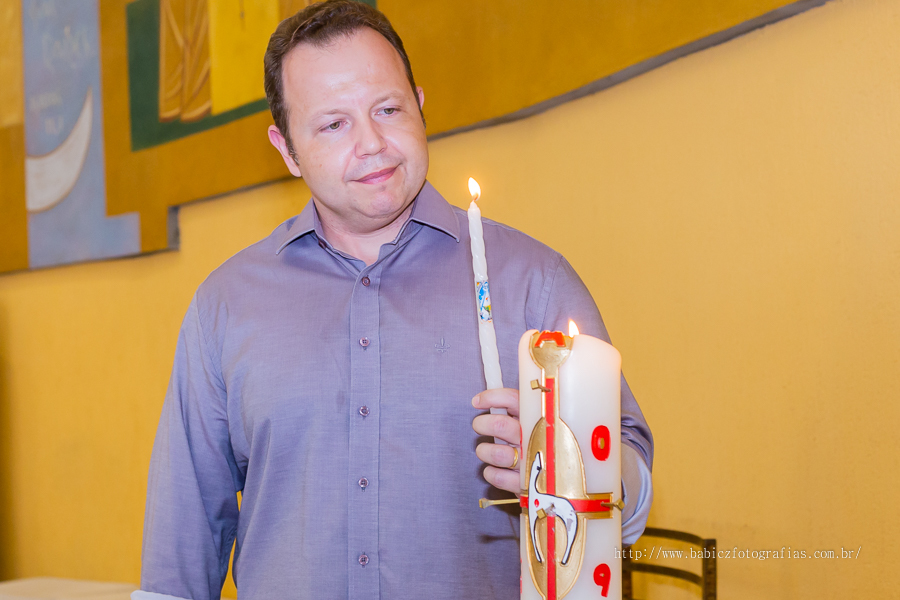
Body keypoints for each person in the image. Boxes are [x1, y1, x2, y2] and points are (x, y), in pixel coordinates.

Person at [133, 2, 653, 599]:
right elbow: (183, 539)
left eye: (388, 109)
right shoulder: (226, 305)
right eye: (334, 124)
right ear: (287, 150)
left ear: (420, 107)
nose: (372, 143)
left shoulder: (531, 281)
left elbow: (628, 483)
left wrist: (577, 464)